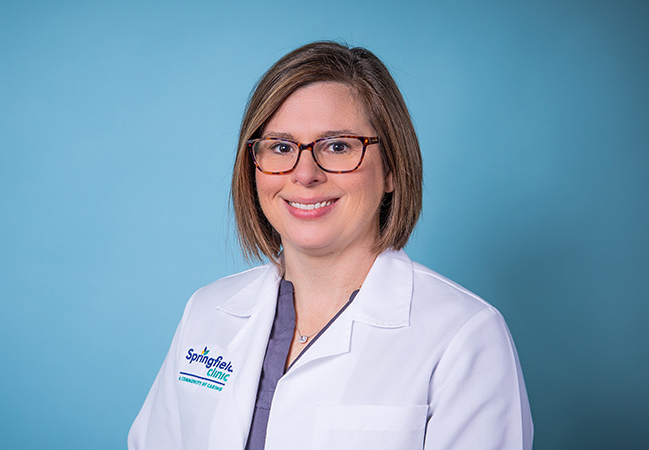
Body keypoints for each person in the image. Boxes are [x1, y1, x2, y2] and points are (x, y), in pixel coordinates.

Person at [128, 41, 533, 450]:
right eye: (281, 147)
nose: (305, 174)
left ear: (391, 168)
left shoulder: (463, 336)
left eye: (338, 146)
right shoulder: (206, 312)